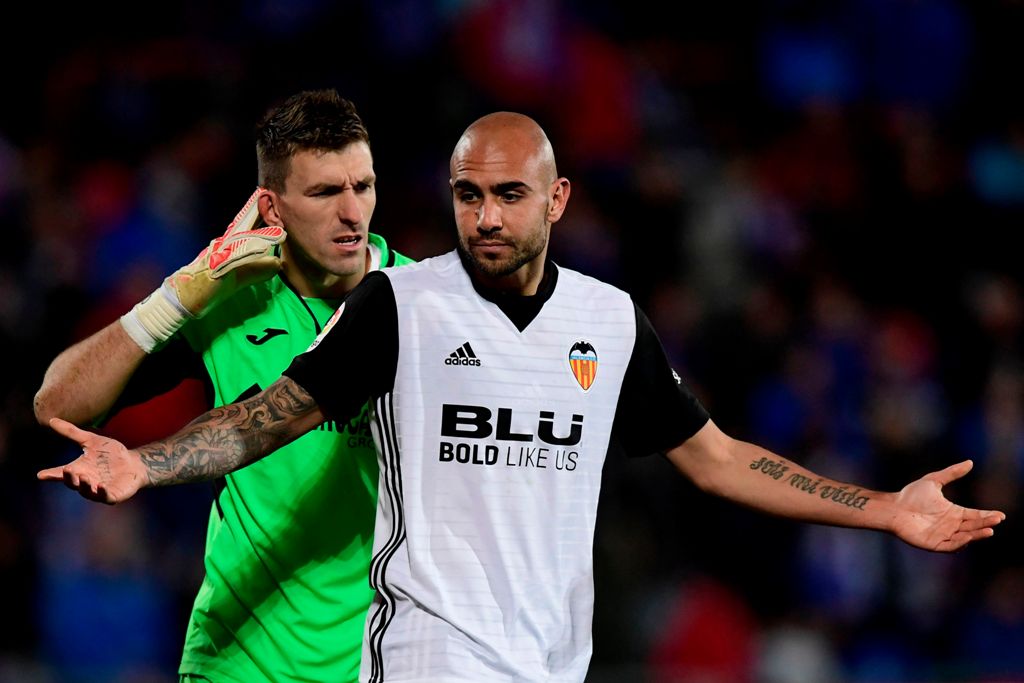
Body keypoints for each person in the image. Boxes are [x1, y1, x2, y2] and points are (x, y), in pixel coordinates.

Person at [39, 112, 1006, 683]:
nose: (486, 216)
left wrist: (884, 509)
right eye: (467, 195)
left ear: (558, 200)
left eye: (508, 194)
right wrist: (147, 460)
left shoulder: (609, 322)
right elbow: (266, 417)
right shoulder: (402, 306)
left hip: (550, 662)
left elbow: (715, 458)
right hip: (424, 654)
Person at [33, 89, 414, 683]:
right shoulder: (228, 303)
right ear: (273, 207)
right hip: (237, 664)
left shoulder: (426, 305)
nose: (352, 212)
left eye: (362, 186)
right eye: (323, 192)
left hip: (380, 664)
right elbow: (55, 404)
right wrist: (185, 290)